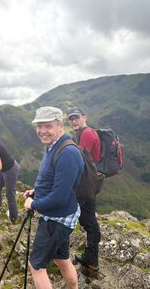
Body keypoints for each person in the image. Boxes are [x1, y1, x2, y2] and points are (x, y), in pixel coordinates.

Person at [23, 106, 84, 289]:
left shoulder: (67, 153)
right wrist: (36, 192)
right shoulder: (54, 146)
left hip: (56, 219)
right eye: (39, 126)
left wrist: (34, 204)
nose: (42, 131)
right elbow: (53, 180)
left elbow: (59, 197)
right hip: (60, 216)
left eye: (47, 126)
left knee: (36, 266)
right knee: (61, 259)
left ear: (60, 125)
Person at [67, 107, 102, 271]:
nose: (74, 121)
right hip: (88, 183)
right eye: (71, 119)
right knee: (88, 220)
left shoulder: (87, 134)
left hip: (84, 183)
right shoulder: (82, 134)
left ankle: (59, 254)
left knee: (65, 215)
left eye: (76, 118)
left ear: (84, 117)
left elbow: (79, 161)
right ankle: (91, 258)